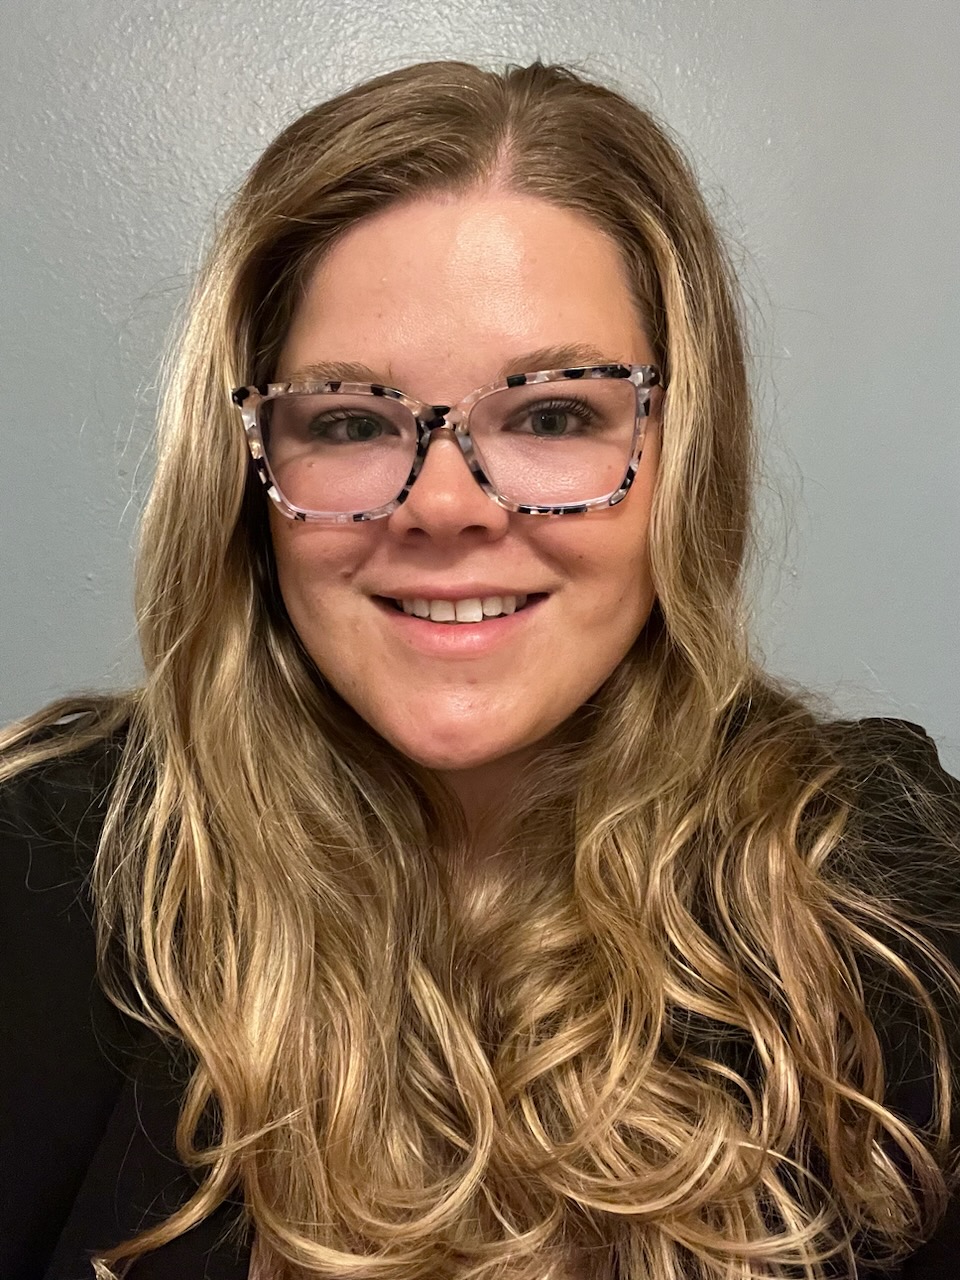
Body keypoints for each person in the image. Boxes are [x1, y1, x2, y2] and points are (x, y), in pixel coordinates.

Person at [1, 57, 959, 1280]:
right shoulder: (48, 874)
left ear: (681, 454)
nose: (445, 506)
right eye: (348, 420)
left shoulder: (885, 893)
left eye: (555, 414)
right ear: (248, 475)